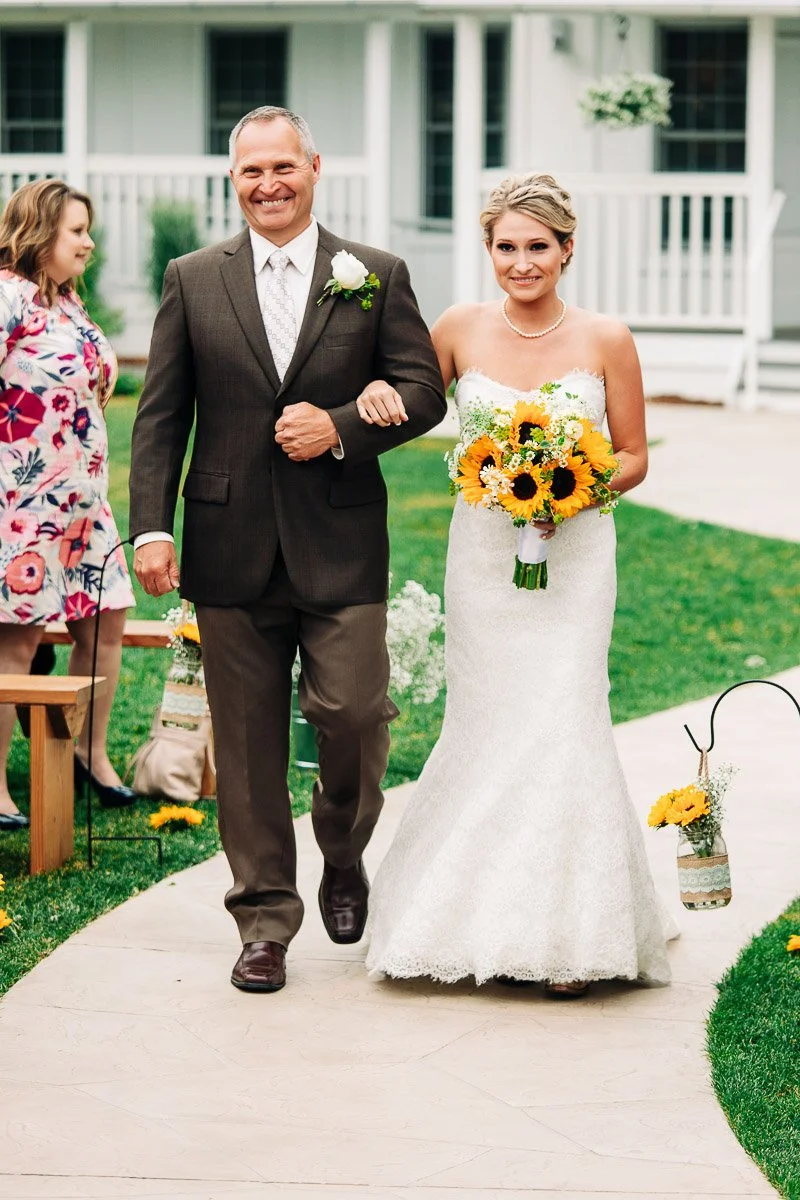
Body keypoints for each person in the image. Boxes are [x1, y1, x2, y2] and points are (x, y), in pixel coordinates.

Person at [129, 106, 445, 994]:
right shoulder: (193, 278)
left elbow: (423, 392)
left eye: (282, 167)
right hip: (228, 545)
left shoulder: (375, 275)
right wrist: (152, 526)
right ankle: (264, 916)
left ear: (314, 165)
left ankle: (341, 851)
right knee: (248, 741)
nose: (267, 185)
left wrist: (341, 425)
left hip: (341, 542)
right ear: (233, 181)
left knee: (349, 715)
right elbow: (160, 417)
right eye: (249, 173)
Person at [364, 173, 676, 996]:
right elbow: (412, 398)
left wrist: (576, 485)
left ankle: (571, 936)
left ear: (567, 249)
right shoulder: (459, 328)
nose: (522, 262)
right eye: (507, 246)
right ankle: (457, 919)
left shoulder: (608, 337)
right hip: (482, 560)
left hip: (575, 559)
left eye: (538, 246)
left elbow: (636, 453)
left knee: (566, 713)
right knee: (490, 718)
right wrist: (371, 391)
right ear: (489, 249)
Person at [0, 179, 137, 833]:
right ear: (39, 231)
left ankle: (89, 751)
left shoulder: (70, 302)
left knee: (107, 621)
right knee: (18, 639)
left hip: (85, 505)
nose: (88, 241)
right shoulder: (8, 296)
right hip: (23, 504)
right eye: (76, 230)